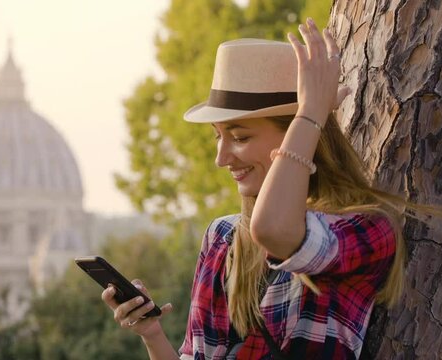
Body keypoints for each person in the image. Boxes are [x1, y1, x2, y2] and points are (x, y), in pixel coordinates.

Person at [101, 19, 410, 359]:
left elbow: (274, 230)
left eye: (241, 137)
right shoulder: (222, 238)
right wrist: (152, 333)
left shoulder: (364, 229)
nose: (221, 158)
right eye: (218, 136)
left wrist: (309, 114)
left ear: (299, 133)